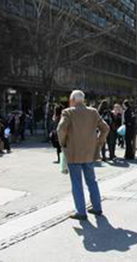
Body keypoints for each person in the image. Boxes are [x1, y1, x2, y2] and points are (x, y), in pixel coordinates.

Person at [57, 89, 110, 221]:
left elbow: (60, 129)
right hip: (89, 153)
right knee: (92, 181)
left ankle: (81, 212)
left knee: (77, 183)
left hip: (73, 153)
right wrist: (99, 142)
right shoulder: (93, 112)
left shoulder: (68, 112)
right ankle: (97, 207)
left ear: (73, 100)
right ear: (83, 100)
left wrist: (63, 143)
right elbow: (105, 128)